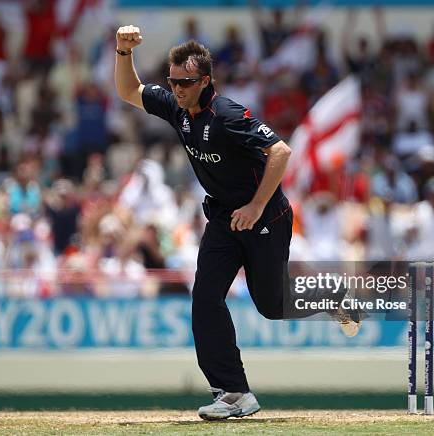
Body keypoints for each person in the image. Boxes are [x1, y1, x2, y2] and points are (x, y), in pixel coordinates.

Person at [114, 25, 360, 420]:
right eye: (172, 81)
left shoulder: (227, 114)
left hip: (265, 217)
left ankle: (331, 295)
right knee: (205, 298)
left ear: (205, 81)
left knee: (271, 305)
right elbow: (129, 91)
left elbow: (280, 151)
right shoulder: (178, 107)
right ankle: (233, 393)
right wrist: (123, 53)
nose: (176, 89)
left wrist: (256, 206)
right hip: (224, 219)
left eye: (186, 82)